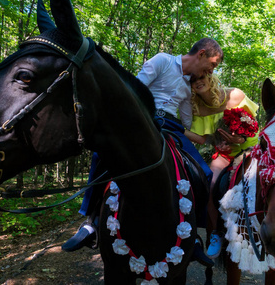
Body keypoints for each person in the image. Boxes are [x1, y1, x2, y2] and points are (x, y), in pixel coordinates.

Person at [62, 38, 224, 266]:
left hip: (172, 128)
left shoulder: (190, 85)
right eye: (213, 64)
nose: (212, 70)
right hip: (142, 119)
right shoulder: (163, 61)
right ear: (202, 53)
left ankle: (193, 235)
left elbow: (187, 120)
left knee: (204, 173)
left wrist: (204, 99)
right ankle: (91, 222)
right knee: (102, 153)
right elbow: (134, 89)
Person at [188, 73, 259, 259]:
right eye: (193, 80)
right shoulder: (198, 108)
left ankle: (267, 228)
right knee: (210, 184)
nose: (198, 81)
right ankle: (216, 233)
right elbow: (203, 139)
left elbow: (253, 124)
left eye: (201, 77)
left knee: (265, 180)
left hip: (250, 149)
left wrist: (240, 138)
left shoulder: (235, 95)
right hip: (224, 155)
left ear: (211, 77)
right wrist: (177, 128)